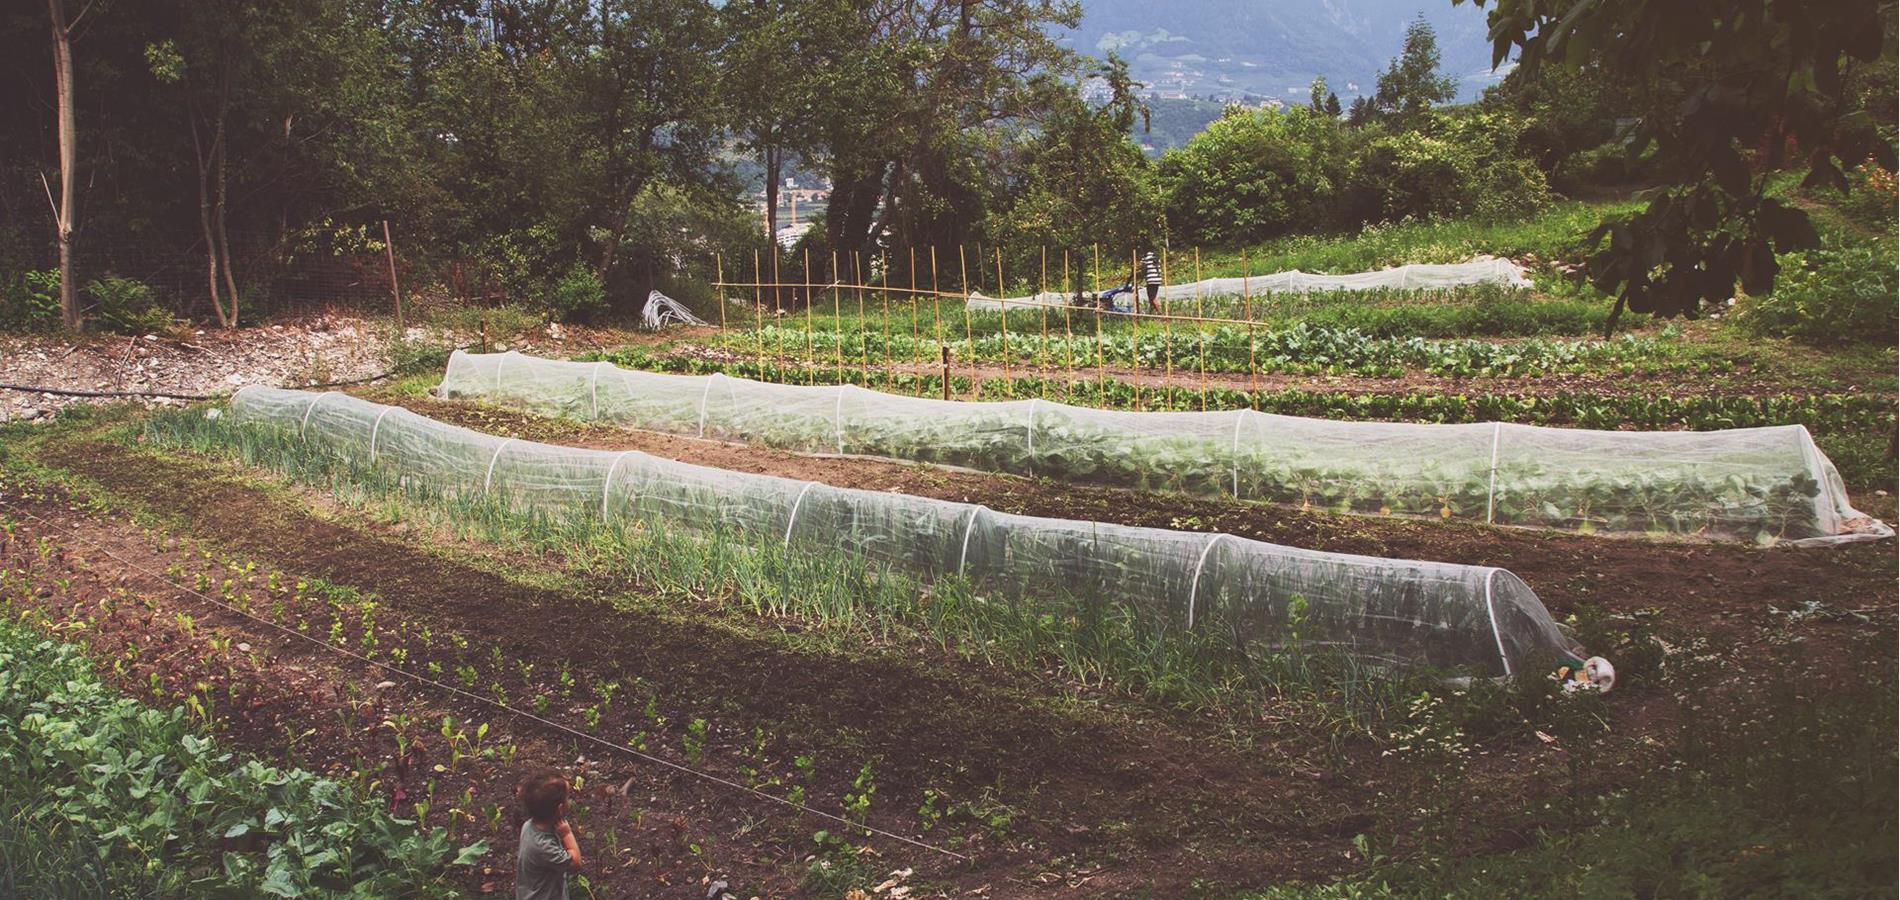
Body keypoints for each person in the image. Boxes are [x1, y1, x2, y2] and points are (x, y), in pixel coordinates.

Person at [516, 768, 584, 900]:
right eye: (567, 797)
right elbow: (575, 863)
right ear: (559, 809)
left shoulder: (529, 825)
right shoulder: (544, 846)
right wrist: (567, 834)